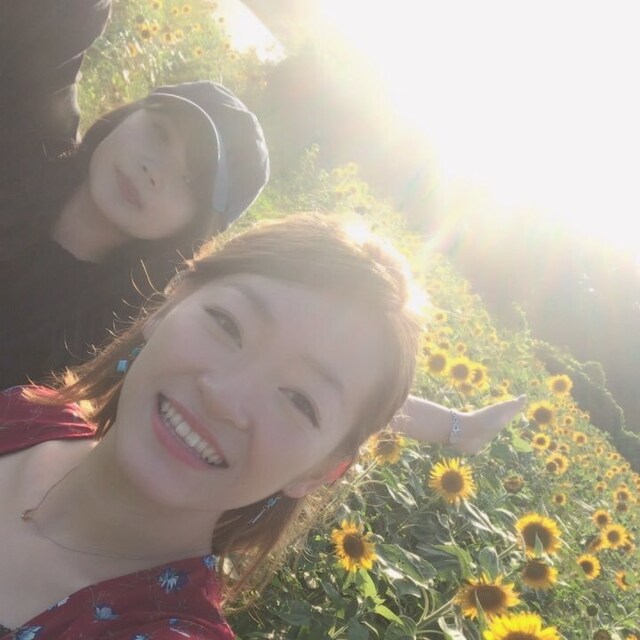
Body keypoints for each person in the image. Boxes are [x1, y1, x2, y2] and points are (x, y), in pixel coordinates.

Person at [0, 214, 422, 637]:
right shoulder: (26, 410)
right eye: (227, 325)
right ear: (172, 301)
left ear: (321, 471)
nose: (224, 399)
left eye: (300, 401)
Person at [0, 0, 270, 390]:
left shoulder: (112, 346)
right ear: (130, 115)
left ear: (195, 227)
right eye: (159, 133)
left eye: (190, 180)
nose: (152, 170)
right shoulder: (23, 139)